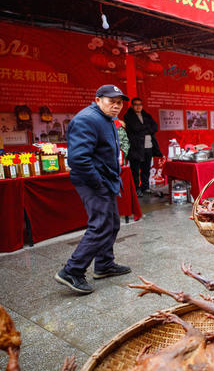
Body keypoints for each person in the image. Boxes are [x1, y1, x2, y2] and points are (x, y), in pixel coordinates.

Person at [55, 85, 132, 294]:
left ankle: (104, 264)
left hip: (105, 179)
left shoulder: (105, 119)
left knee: (112, 223)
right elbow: (78, 158)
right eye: (111, 101)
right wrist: (97, 183)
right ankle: (72, 270)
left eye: (119, 102)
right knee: (100, 225)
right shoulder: (87, 119)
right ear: (97, 100)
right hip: (92, 181)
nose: (116, 106)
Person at [124, 97, 162, 197]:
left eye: (140, 104)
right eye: (136, 104)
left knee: (146, 169)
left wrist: (145, 129)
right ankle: (136, 189)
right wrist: (147, 129)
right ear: (132, 106)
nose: (138, 106)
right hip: (136, 148)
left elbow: (155, 127)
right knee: (135, 170)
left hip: (148, 146)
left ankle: (145, 187)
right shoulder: (128, 116)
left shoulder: (146, 115)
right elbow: (136, 128)